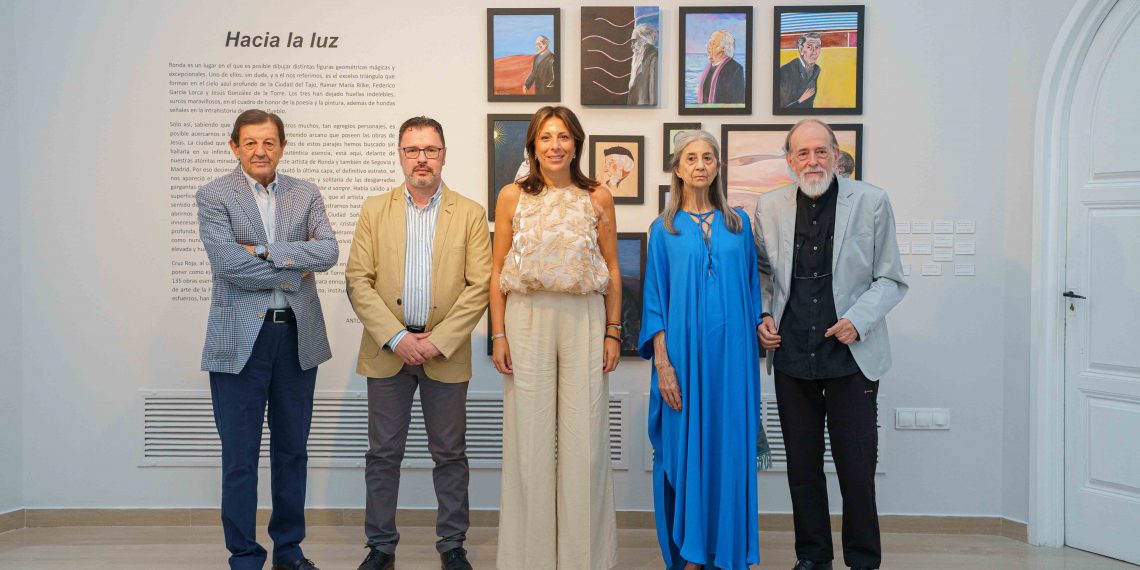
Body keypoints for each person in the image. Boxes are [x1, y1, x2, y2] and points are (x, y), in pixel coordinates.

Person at [752, 119, 907, 570]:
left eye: (821, 151)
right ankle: (812, 558)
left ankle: (862, 561)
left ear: (837, 156)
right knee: (802, 470)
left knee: (857, 472)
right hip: (792, 357)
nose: (812, 161)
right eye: (802, 153)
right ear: (789, 160)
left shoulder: (872, 201)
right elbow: (763, 276)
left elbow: (891, 278)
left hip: (852, 358)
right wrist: (762, 315)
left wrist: (857, 321)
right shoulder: (769, 206)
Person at [345, 117, 491, 570]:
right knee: (382, 454)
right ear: (400, 154)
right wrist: (397, 337)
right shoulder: (375, 209)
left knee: (450, 454)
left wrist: (436, 342)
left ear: (444, 154)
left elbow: (479, 285)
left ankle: (452, 545)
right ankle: (381, 547)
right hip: (388, 350)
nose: (421, 158)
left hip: (443, 354)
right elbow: (358, 280)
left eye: (430, 149)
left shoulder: (469, 213)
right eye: (412, 150)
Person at [196, 109, 339, 570]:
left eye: (270, 142)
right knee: (239, 456)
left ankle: (289, 550)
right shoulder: (214, 195)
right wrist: (294, 266)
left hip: (297, 337)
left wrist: (262, 250)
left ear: (283, 145)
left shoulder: (306, 193)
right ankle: (243, 555)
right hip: (238, 342)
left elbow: (329, 252)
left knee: (292, 449)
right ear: (234, 146)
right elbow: (227, 265)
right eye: (251, 143)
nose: (261, 151)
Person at [490, 105, 621, 570]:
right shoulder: (512, 196)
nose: (555, 146)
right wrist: (498, 333)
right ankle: (530, 560)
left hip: (584, 315)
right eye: (546, 137)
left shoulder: (598, 196)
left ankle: (585, 560)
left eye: (563, 136)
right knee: (530, 440)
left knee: (585, 443)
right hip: (526, 316)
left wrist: (613, 331)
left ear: (576, 144)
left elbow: (611, 268)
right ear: (533, 145)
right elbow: (497, 268)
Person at [639, 130, 763, 570]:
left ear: (717, 167)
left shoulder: (739, 225)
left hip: (733, 359)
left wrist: (763, 324)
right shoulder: (663, 229)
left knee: (729, 446)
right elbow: (654, 300)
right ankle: (692, 552)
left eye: (708, 157)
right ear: (677, 167)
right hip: (684, 358)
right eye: (691, 157)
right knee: (685, 446)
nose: (700, 165)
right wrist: (664, 364)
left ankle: (728, 550)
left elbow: (753, 290)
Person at [696, 30, 745, 105]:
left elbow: (738, 102)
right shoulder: (707, 69)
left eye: (714, 44)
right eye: (709, 43)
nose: (709, 47)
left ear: (723, 48)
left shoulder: (736, 69)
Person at [778, 32, 822, 109]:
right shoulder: (785, 72)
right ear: (801, 50)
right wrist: (800, 100)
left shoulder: (816, 69)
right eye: (809, 47)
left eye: (817, 47)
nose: (815, 52)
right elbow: (781, 108)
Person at [628, 23, 658, 106]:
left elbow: (653, 90)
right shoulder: (638, 58)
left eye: (634, 41)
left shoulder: (654, 56)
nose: (632, 46)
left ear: (645, 39)